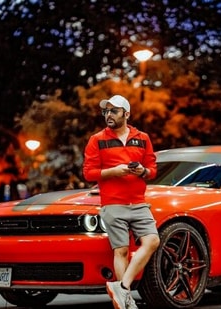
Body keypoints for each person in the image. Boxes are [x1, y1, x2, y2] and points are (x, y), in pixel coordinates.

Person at [82, 94, 160, 309]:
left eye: (113, 111)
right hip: (113, 204)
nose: (108, 115)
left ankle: (122, 287)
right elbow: (89, 173)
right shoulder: (96, 139)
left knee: (153, 240)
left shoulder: (143, 137)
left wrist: (143, 170)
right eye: (106, 111)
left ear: (126, 114)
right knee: (121, 251)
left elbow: (152, 169)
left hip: (138, 202)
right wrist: (113, 172)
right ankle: (125, 300)